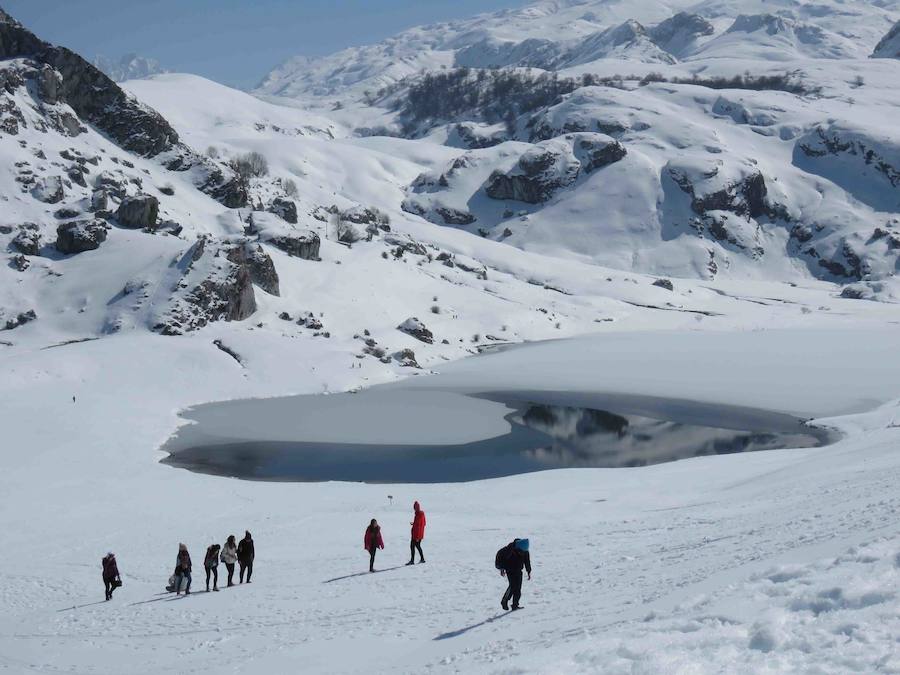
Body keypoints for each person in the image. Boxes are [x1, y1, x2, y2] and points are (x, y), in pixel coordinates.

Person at [496, 538, 531, 611]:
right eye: (520, 551)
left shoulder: (524, 551)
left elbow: (527, 561)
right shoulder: (508, 550)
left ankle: (515, 605)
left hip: (518, 570)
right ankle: (504, 601)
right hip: (510, 570)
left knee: (518, 589)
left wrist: (528, 571)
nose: (522, 553)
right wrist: (502, 568)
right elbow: (500, 560)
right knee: (512, 586)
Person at [406, 501, 426, 565]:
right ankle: (422, 559)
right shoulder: (421, 514)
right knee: (417, 546)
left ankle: (412, 561)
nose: (414, 508)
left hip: (416, 535)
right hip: (418, 534)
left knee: (412, 546)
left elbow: (419, 526)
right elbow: (423, 524)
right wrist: (414, 523)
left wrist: (417, 537)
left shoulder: (418, 515)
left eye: (414, 507)